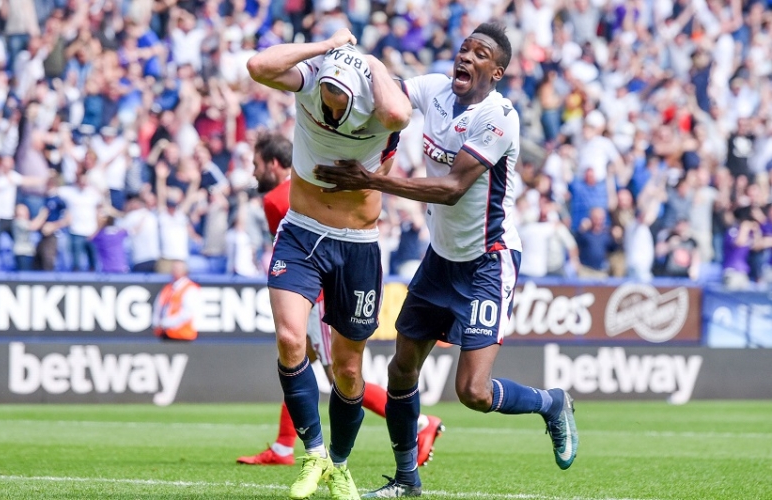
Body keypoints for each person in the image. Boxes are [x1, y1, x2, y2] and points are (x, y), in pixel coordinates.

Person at [314, 22, 579, 498]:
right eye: (464, 49)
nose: (466, 57)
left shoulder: (498, 117)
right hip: (440, 258)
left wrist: (371, 180)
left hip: (488, 261)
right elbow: (387, 95)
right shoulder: (435, 89)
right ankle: (406, 480)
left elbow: (452, 189)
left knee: (473, 392)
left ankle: (551, 403)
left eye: (480, 54)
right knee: (401, 370)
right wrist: (352, 69)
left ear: (496, 72)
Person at [245, 28, 413, 500]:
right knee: (290, 338)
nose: (330, 109)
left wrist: (370, 62)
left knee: (348, 370)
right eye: (326, 98)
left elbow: (400, 114)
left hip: (357, 243)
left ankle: (339, 464)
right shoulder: (312, 80)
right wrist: (325, 48)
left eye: (340, 102)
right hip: (301, 232)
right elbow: (258, 66)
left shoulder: (378, 103)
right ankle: (313, 453)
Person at [236, 132, 444, 469]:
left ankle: (420, 423)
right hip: (330, 285)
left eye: (257, 164)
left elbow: (303, 252)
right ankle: (284, 445)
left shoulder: (278, 199)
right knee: (299, 361)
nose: (254, 172)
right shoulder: (313, 181)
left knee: (338, 376)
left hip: (317, 297)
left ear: (274, 164)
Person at [152, 260, 200, 341]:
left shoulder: (190, 288)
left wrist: (166, 323)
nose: (175, 271)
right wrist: (157, 323)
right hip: (165, 334)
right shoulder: (168, 287)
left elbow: (187, 313)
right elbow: (158, 306)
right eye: (174, 268)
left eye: (178, 268)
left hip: (183, 335)